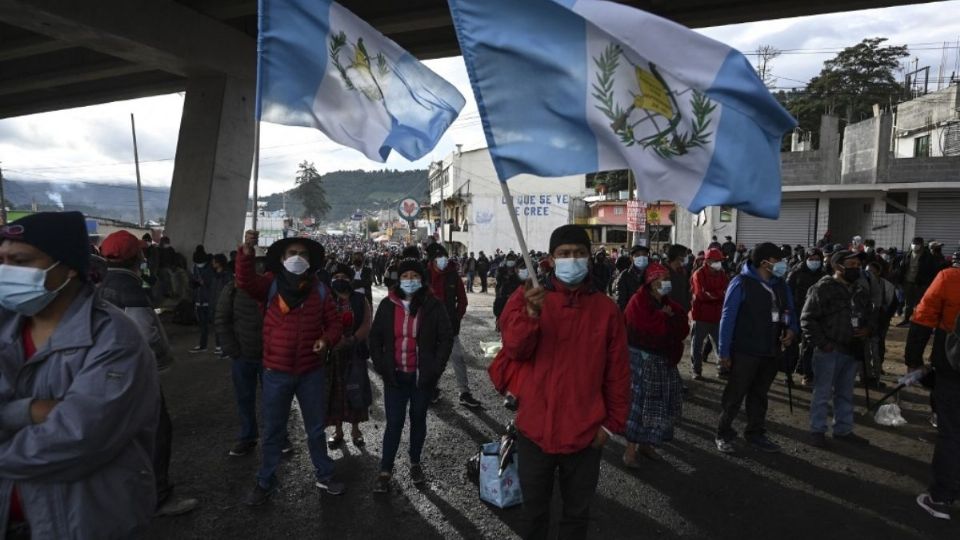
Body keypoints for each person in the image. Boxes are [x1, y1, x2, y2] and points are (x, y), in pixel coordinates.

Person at [0, 212, 160, 538]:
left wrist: (9, 413)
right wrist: (33, 410)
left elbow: (77, 438)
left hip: (84, 522)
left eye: (20, 261)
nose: (5, 272)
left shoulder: (114, 337)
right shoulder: (7, 328)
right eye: (1, 261)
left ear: (68, 267)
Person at [499, 224, 630, 540]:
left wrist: (610, 425)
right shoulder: (527, 297)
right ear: (551, 259)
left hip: (586, 434)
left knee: (576, 516)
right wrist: (530, 314)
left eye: (579, 254)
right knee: (533, 514)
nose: (572, 260)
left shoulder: (607, 310)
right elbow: (514, 348)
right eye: (564, 254)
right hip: (534, 430)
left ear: (589, 258)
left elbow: (618, 373)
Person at [235, 230, 345, 504]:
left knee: (316, 428)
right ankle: (265, 480)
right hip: (275, 372)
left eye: (303, 254)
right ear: (282, 259)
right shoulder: (270, 285)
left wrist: (326, 340)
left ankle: (324, 474)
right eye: (292, 253)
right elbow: (245, 281)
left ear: (310, 260)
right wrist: (246, 253)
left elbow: (335, 324)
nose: (297, 258)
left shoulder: (320, 289)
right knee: (273, 429)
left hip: (311, 372)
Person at [98, 230, 199, 518]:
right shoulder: (131, 289)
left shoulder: (99, 285)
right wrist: (157, 362)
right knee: (158, 432)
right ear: (137, 257)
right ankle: (159, 497)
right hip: (137, 376)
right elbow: (146, 334)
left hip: (107, 374)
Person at [369, 258, 453, 492]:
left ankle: (415, 462)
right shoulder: (388, 304)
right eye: (405, 276)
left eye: (414, 276)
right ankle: (385, 470)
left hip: (421, 379)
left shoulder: (433, 305)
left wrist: (435, 369)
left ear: (422, 279)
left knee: (418, 420)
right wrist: (381, 365)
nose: (409, 280)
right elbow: (375, 338)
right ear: (399, 279)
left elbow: (445, 339)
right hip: (394, 377)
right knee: (394, 423)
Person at [715, 242, 798, 454]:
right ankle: (723, 433)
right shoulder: (741, 283)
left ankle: (755, 433)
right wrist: (724, 352)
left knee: (760, 395)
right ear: (764, 262)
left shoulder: (781, 285)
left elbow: (789, 310)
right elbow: (727, 318)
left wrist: (791, 329)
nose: (782, 264)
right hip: (745, 350)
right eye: (778, 260)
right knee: (734, 395)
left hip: (770, 349)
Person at [905, 248, 960, 520]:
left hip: (953, 367)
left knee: (951, 433)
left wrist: (913, 360)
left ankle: (941, 497)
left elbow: (924, 318)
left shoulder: (949, 278)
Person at [801, 251, 873, 448]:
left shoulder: (860, 290)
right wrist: (824, 344)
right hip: (828, 351)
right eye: (851, 263)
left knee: (845, 393)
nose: (855, 267)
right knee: (822, 393)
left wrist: (867, 329)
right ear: (837, 267)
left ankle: (843, 429)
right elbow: (807, 319)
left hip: (851, 350)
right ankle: (817, 431)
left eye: (858, 264)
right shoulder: (823, 288)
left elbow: (869, 315)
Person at [623, 263, 689, 464]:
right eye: (660, 280)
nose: (664, 283)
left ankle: (647, 444)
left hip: (663, 360)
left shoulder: (672, 305)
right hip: (641, 360)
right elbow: (639, 327)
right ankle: (630, 450)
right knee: (639, 404)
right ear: (650, 283)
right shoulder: (637, 302)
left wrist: (672, 317)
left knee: (658, 405)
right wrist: (662, 317)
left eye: (666, 279)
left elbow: (682, 329)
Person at [425, 243, 480, 407]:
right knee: (431, 360)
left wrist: (457, 318)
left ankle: (464, 392)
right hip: (428, 327)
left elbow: (462, 300)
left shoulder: (453, 276)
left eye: (444, 257)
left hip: (449, 326)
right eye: (438, 258)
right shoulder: (424, 275)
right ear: (432, 260)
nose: (442, 260)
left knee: (457, 357)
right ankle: (432, 389)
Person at [326, 263, 373, 448]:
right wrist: (331, 342)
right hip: (333, 355)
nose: (339, 280)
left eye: (343, 277)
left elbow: (367, 323)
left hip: (355, 353)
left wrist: (353, 339)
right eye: (336, 276)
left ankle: (356, 430)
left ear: (350, 280)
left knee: (355, 391)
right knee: (335, 394)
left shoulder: (361, 300)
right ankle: (337, 431)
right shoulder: (327, 299)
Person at [787, 248, 826, 386]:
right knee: (791, 345)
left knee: (809, 346)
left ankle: (807, 374)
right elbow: (788, 292)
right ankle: (788, 374)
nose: (814, 262)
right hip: (796, 313)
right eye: (811, 259)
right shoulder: (796, 273)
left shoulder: (824, 275)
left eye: (817, 259)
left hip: (814, 316)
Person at [690, 248, 729, 380]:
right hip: (700, 316)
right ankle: (696, 370)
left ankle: (722, 369)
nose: (718, 263)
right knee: (697, 346)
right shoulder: (698, 274)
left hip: (718, 316)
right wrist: (718, 295)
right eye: (716, 261)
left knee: (720, 345)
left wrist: (714, 295)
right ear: (708, 261)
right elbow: (701, 294)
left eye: (720, 261)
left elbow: (726, 292)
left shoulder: (722, 274)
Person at [861, 259, 896, 387]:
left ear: (879, 273)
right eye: (867, 271)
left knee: (876, 351)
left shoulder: (887, 286)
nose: (869, 274)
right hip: (862, 325)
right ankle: (864, 376)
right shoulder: (859, 284)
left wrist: (882, 320)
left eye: (873, 272)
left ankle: (875, 377)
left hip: (879, 324)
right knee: (862, 352)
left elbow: (890, 305)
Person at [896, 237, 939, 327]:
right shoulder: (907, 255)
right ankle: (906, 320)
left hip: (920, 284)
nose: (915, 246)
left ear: (922, 245)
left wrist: (927, 283)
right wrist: (900, 280)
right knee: (908, 303)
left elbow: (932, 271)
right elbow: (902, 268)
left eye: (917, 244)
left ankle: (916, 320)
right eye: (913, 243)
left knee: (919, 303)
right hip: (908, 282)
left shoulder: (928, 256)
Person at [190, 247, 215, 353]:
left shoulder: (211, 268)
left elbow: (213, 283)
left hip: (209, 299)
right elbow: (194, 280)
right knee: (203, 325)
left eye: (200, 263)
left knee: (216, 324)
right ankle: (202, 345)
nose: (198, 264)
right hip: (199, 299)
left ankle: (220, 346)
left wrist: (204, 283)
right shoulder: (196, 267)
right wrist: (194, 284)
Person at [613, 245, 649, 311]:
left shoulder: (653, 274)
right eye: (638, 255)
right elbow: (621, 301)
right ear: (631, 258)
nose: (642, 257)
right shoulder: (624, 276)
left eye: (644, 255)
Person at [494, 252, 523, 323]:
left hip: (514, 295)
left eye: (512, 259)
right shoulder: (501, 269)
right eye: (509, 259)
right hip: (503, 294)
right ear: (506, 260)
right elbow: (498, 280)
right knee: (500, 309)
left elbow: (520, 282)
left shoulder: (517, 270)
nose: (511, 261)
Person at [664, 244, 691, 312]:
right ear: (678, 257)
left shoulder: (683, 272)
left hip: (682, 311)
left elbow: (687, 291)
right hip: (667, 313)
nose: (687, 257)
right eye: (685, 255)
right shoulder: (663, 272)